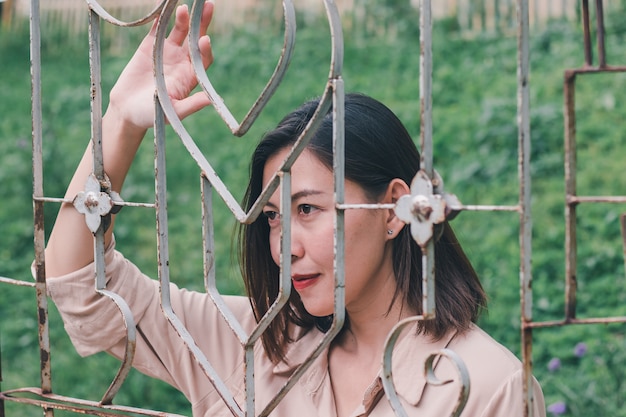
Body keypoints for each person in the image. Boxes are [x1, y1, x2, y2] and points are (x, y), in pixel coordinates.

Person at [43, 3, 545, 417]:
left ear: (395, 209)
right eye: (272, 218)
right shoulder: (250, 342)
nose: (285, 246)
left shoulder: (486, 386)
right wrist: (121, 122)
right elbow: (85, 287)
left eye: (307, 209)